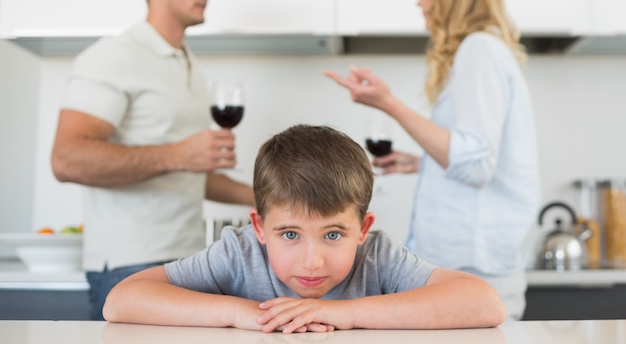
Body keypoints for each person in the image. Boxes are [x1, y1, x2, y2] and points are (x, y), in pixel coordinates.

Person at [102, 124, 505, 332]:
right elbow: (121, 300)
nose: (312, 262)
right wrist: (239, 313)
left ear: (363, 229)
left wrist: (345, 313)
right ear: (259, 227)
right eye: (290, 235)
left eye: (333, 235)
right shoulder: (240, 252)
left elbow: (485, 303)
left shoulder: (377, 257)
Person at [324, 0, 540, 320]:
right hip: (473, 263)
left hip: (473, 267)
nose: (420, 1)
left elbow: (475, 164)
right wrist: (422, 163)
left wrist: (388, 103)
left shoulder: (479, 49)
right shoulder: (484, 51)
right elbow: (481, 156)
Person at [50, 0, 255, 320]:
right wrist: (179, 153)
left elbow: (190, 175)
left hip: (188, 261)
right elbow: (66, 159)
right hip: (130, 265)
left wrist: (267, 195)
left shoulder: (189, 65)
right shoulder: (115, 56)